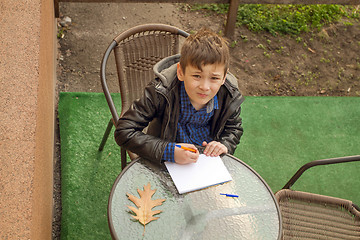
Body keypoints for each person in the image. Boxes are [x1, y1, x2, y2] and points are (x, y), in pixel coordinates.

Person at [114, 28, 244, 165]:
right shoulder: (160, 92)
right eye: (197, 76)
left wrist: (225, 145)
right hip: (165, 157)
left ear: (224, 77)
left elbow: (234, 128)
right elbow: (124, 131)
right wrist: (169, 151)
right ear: (181, 72)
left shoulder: (230, 95)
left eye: (214, 78)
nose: (205, 87)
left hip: (206, 160)